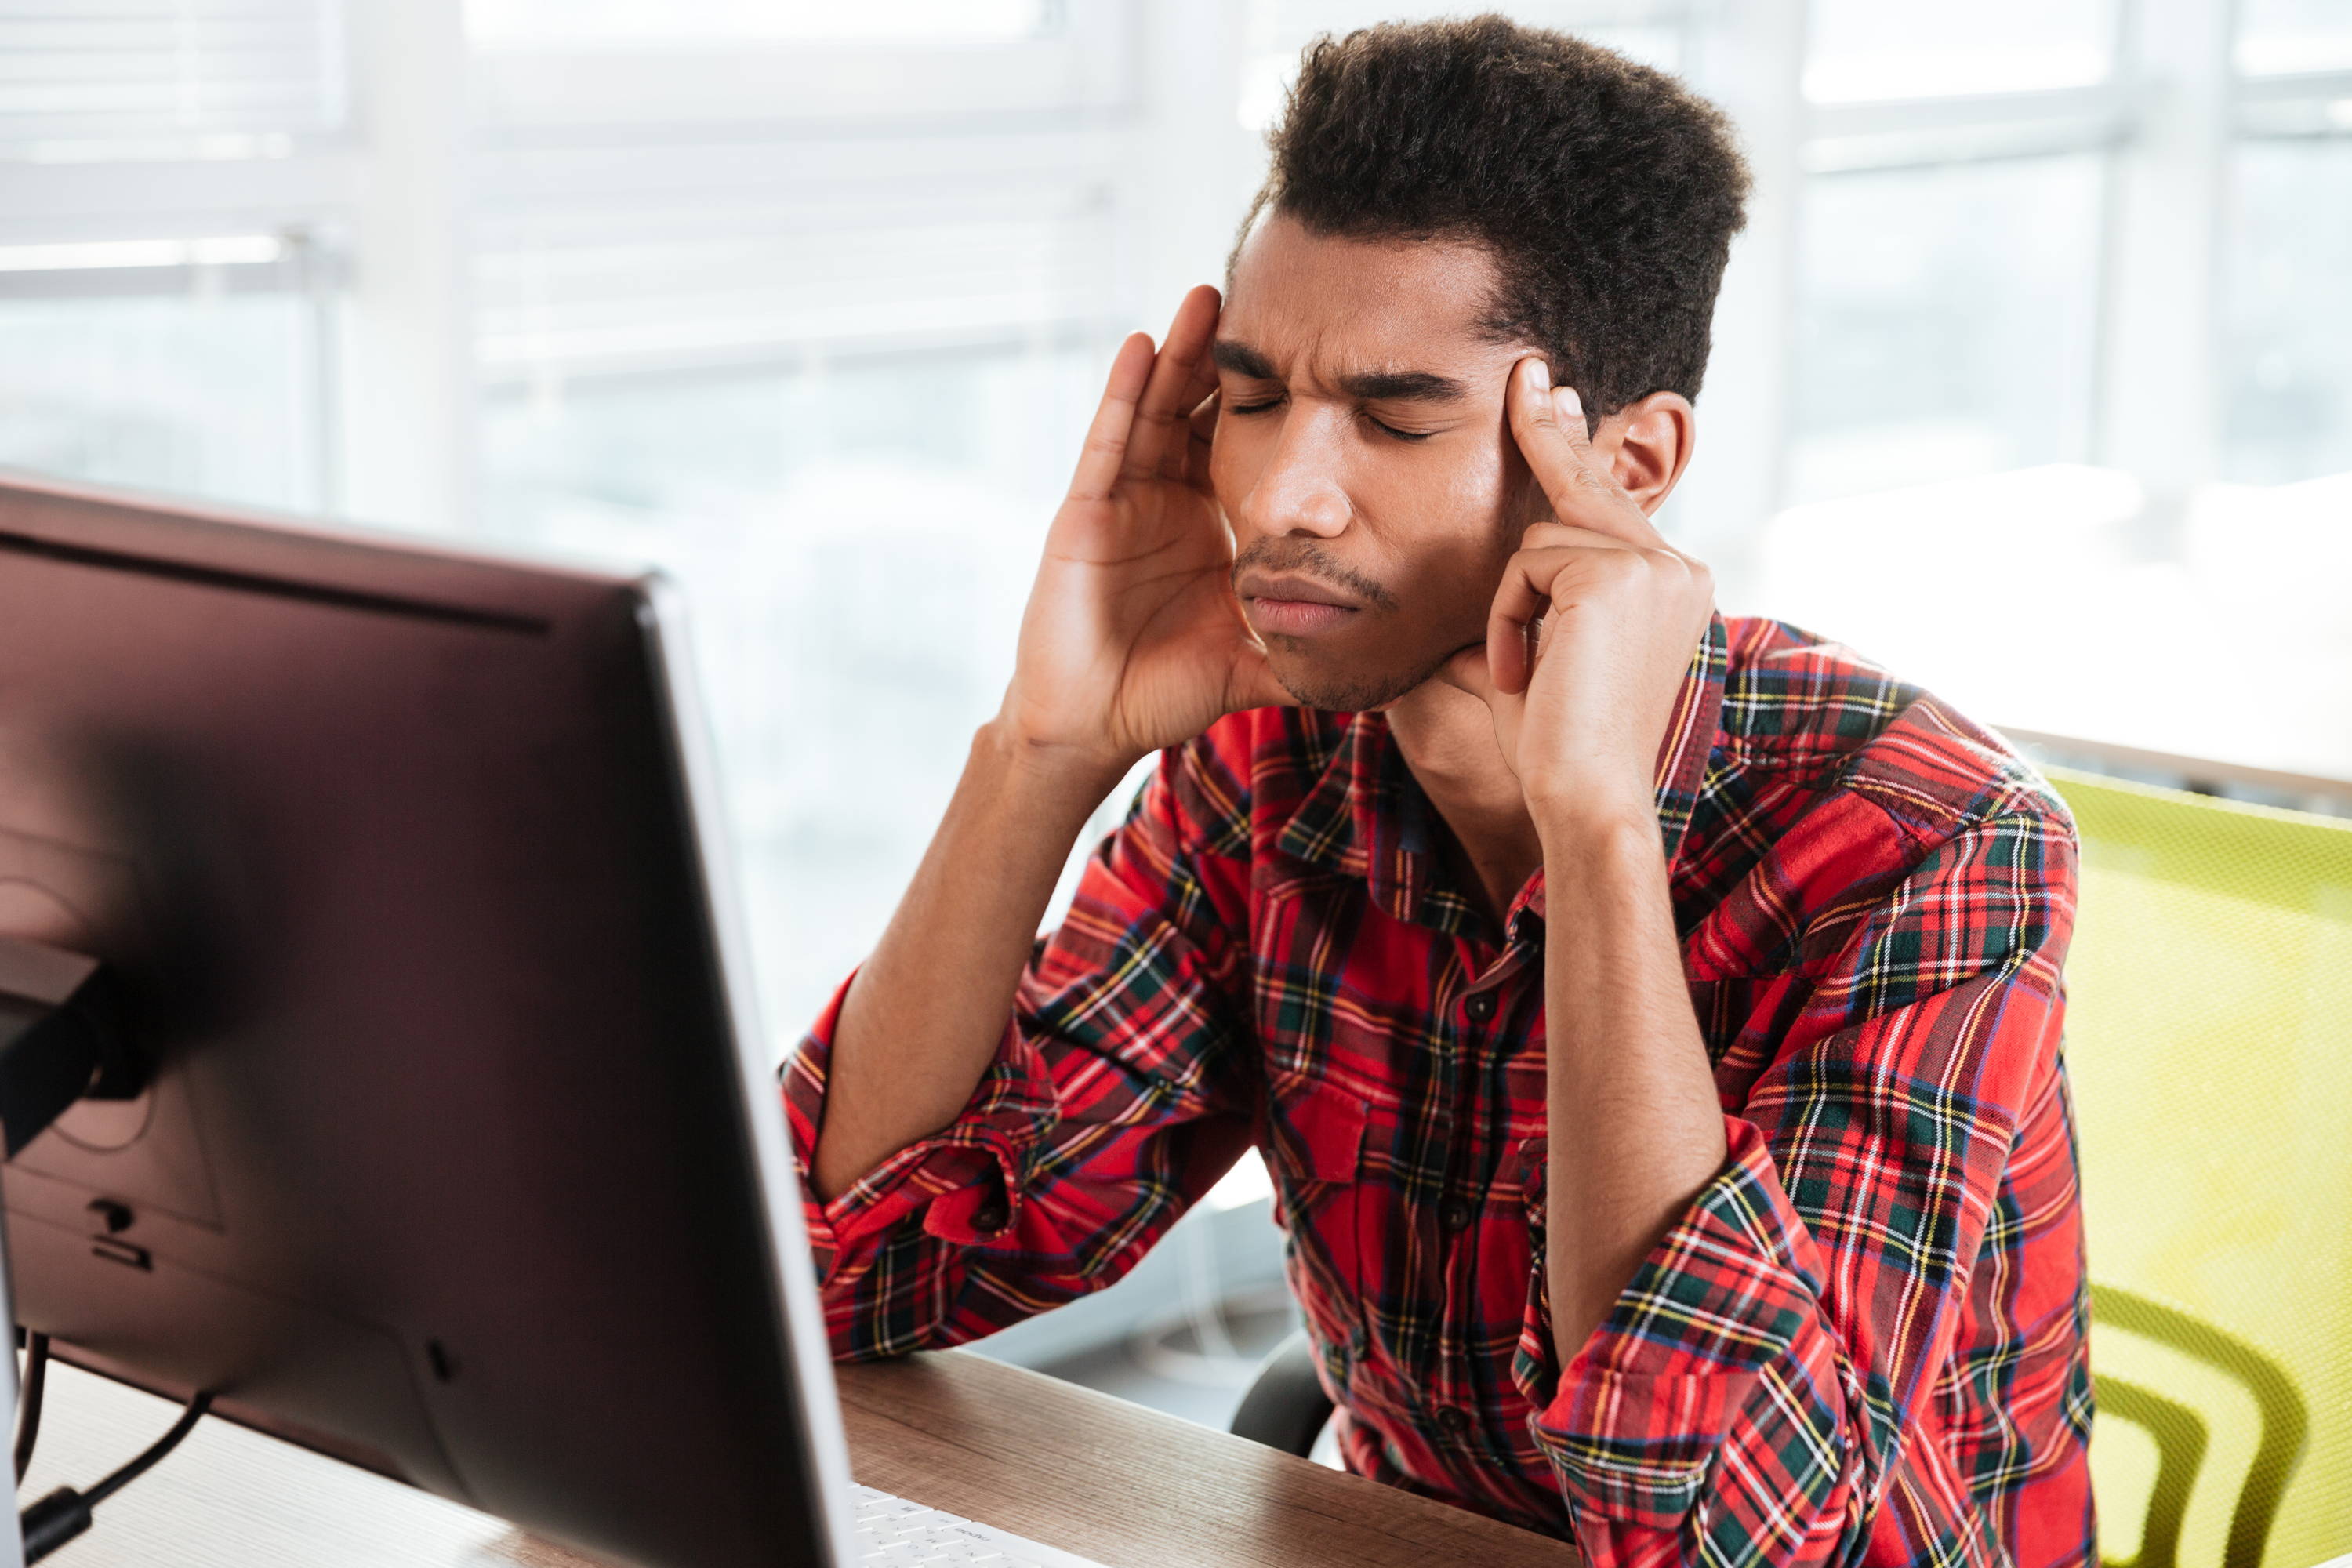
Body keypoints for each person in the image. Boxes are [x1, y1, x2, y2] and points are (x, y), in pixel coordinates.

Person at [782, 16, 2093, 1566]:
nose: (1282, 496)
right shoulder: (1265, 764)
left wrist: (1597, 823)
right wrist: (1043, 752)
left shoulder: (1927, 841)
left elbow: (1713, 1519)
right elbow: (846, 1273)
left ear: (1630, 465)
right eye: (1255, 397)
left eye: (1398, 417)